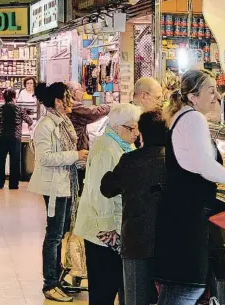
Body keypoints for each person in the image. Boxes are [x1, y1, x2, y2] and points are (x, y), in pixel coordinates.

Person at [155, 70, 225, 305]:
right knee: (185, 289)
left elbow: (195, 160)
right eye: (211, 90)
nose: (217, 96)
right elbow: (203, 165)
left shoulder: (182, 117)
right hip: (186, 217)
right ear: (194, 96)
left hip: (178, 214)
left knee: (179, 289)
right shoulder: (194, 118)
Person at [74, 103, 141, 305]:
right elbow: (100, 192)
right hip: (102, 232)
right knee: (104, 288)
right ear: (117, 126)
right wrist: (108, 230)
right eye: (132, 128)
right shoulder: (106, 149)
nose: (136, 133)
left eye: (137, 128)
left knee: (111, 284)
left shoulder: (121, 145)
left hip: (110, 229)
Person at [27, 82, 89, 303]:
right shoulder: (45, 126)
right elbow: (44, 158)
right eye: (67, 97)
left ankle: (58, 276)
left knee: (60, 231)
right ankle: (50, 283)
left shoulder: (63, 122)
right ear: (57, 101)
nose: (71, 101)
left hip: (65, 183)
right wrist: (75, 155)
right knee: (53, 235)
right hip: (54, 186)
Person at [100, 110, 167, 305]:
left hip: (136, 240)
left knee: (135, 297)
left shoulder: (130, 160)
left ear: (142, 134)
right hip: (168, 241)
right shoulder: (174, 161)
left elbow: (108, 189)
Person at [0, 88, 34, 189]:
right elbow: (30, 121)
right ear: (14, 97)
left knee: (0, 161)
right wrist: (28, 126)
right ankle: (13, 184)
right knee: (15, 161)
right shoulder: (19, 109)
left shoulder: (0, 109)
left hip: (2, 137)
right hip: (15, 137)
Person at [66, 81, 111, 152]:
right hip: (76, 145)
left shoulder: (71, 104)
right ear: (74, 92)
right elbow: (93, 113)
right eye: (81, 90)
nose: (83, 93)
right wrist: (109, 107)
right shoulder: (73, 105)